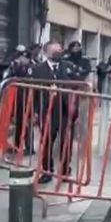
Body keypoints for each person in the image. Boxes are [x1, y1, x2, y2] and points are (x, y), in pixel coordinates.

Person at [31, 41, 76, 184]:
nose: (58, 53)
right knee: (47, 142)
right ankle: (47, 171)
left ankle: (64, 171)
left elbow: (77, 85)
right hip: (48, 111)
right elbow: (34, 93)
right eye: (54, 51)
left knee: (66, 142)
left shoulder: (68, 67)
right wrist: (35, 112)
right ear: (46, 52)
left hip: (66, 111)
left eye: (60, 50)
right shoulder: (38, 70)